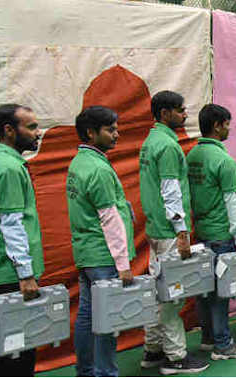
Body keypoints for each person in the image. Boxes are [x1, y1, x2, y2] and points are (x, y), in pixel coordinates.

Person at [139, 91, 209, 375]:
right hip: (169, 232)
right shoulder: (167, 147)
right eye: (181, 111)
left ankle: (152, 351)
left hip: (156, 230)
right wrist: (182, 232)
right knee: (171, 297)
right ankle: (176, 357)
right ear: (165, 113)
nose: (185, 115)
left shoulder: (150, 142)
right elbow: (171, 192)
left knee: (158, 294)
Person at [67, 106, 135, 376]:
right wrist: (123, 264)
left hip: (86, 254)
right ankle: (106, 373)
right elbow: (109, 219)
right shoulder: (98, 169)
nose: (116, 135)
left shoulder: (78, 163)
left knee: (87, 316)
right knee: (106, 319)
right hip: (104, 256)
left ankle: (85, 371)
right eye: (110, 130)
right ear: (91, 133)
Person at [0, 104, 44, 376]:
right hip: (13, 274)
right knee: (18, 350)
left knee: (4, 344)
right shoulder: (8, 169)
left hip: (4, 270)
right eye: (31, 127)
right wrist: (26, 274)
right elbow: (12, 224)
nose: (38, 133)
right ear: (8, 130)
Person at [187, 104, 236, 359]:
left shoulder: (191, 157)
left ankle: (207, 338)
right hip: (221, 235)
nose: (229, 128)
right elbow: (233, 201)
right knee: (221, 293)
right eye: (227, 124)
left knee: (204, 291)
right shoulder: (224, 161)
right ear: (217, 126)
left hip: (202, 233)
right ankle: (223, 345)